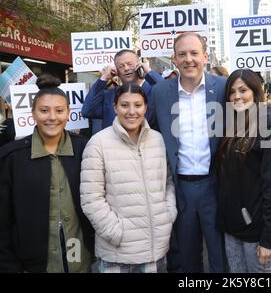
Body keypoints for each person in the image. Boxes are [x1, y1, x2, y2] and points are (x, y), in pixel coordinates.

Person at [0, 74, 95, 273]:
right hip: (32, 263)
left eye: (59, 111)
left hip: (79, 257)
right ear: (33, 113)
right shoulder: (11, 157)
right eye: (44, 111)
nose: (52, 117)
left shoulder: (86, 149)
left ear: (68, 113)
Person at [149, 32, 227, 272]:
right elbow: (150, 130)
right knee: (187, 257)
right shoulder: (160, 92)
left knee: (219, 255)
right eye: (182, 54)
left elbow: (249, 122)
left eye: (194, 53)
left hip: (215, 185)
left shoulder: (224, 88)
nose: (188, 59)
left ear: (205, 57)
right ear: (174, 59)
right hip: (180, 189)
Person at [80, 83, 177, 273]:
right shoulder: (98, 143)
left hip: (155, 250)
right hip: (117, 253)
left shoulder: (158, 140)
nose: (131, 111)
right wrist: (115, 233)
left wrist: (167, 216)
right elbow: (91, 199)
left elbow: (168, 183)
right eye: (124, 105)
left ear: (146, 107)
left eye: (138, 105)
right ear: (115, 107)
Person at [216, 69, 271, 273]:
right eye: (232, 92)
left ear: (255, 92)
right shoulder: (230, 125)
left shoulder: (269, 128)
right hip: (231, 228)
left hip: (256, 232)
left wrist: (268, 239)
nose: (236, 96)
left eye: (243, 90)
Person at [81, 49, 163, 129]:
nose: (126, 68)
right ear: (116, 71)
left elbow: (169, 94)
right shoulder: (110, 95)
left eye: (130, 64)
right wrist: (104, 78)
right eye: (121, 66)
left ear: (139, 65)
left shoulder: (153, 90)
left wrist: (149, 72)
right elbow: (87, 111)